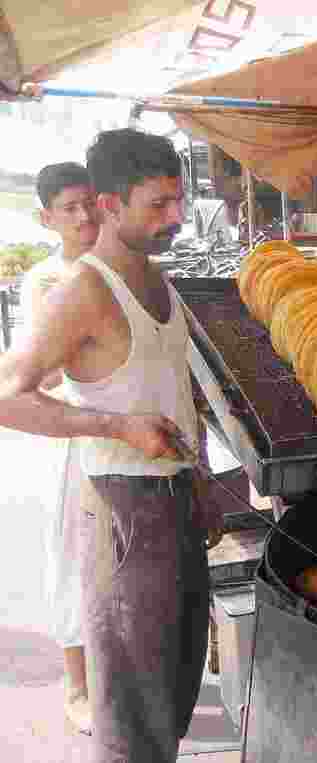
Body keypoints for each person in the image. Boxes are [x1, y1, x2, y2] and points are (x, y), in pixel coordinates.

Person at [0, 128, 220, 762]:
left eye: (179, 199)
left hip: (176, 500)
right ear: (108, 205)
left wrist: (201, 481)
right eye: (158, 204)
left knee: (176, 684)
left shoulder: (160, 284)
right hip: (125, 513)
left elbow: (172, 390)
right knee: (132, 708)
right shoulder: (83, 293)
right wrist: (117, 427)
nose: (176, 217)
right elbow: (10, 395)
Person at [22, 162, 99, 735]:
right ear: (47, 217)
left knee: (115, 561)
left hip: (116, 432)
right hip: (72, 437)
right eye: (69, 208)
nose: (83, 215)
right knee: (74, 555)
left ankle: (116, 678)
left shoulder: (112, 269)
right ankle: (76, 685)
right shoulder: (50, 280)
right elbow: (41, 374)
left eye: (89, 203)